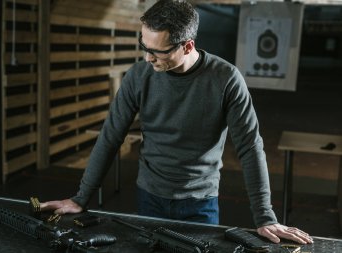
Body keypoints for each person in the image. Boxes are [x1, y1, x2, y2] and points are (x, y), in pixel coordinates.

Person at [41, 0, 312, 245]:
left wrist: (265, 216)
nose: (148, 58)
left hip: (200, 203)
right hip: (149, 195)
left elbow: (250, 147)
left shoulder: (226, 79)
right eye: (143, 46)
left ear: (188, 45)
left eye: (157, 51)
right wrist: (80, 198)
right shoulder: (138, 76)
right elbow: (110, 136)